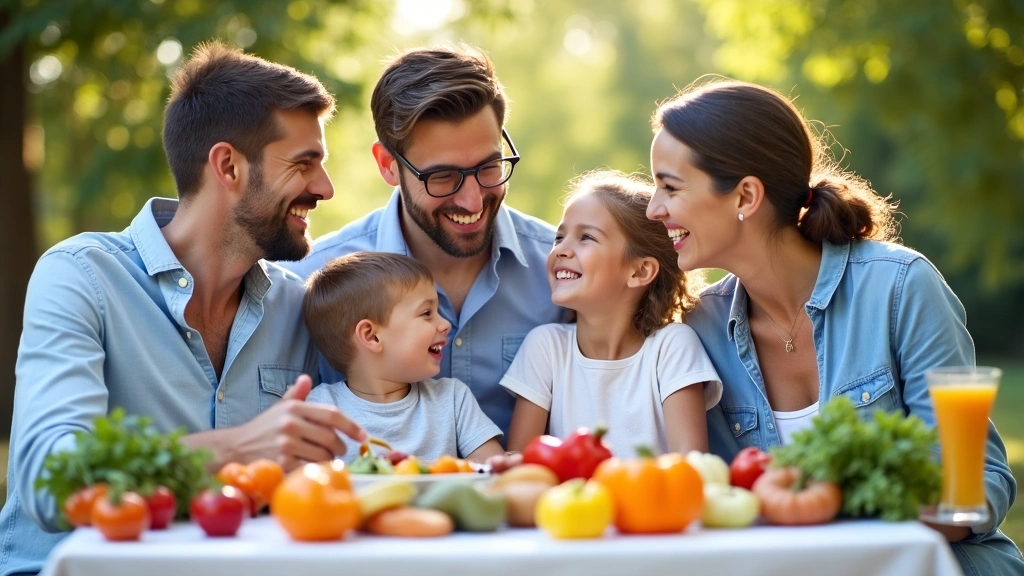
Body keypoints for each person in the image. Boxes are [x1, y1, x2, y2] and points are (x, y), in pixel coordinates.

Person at [0, 41, 367, 576]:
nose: (325, 188)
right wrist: (235, 449)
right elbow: (46, 481)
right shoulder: (82, 276)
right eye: (304, 163)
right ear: (228, 166)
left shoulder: (296, 303)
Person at [646, 79, 1023, 575]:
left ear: (745, 195)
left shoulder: (900, 288)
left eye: (670, 187)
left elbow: (977, 483)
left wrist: (834, 519)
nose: (654, 208)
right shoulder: (700, 328)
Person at [283, 45, 567, 437]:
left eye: (489, 167)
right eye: (443, 177)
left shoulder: (563, 269)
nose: (471, 199)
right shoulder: (305, 282)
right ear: (388, 166)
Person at [500, 171, 721, 456]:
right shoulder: (545, 348)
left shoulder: (672, 347)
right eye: (559, 237)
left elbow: (691, 465)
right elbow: (521, 467)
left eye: (586, 238)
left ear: (640, 271)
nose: (561, 250)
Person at [302, 251, 504, 464]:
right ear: (371, 336)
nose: (445, 324)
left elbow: (494, 470)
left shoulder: (453, 399)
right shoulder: (320, 409)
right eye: (427, 313)